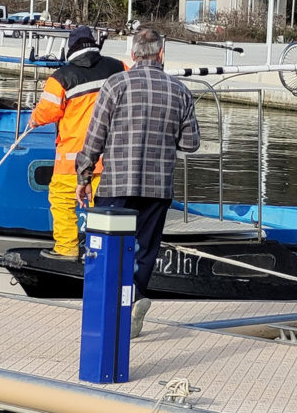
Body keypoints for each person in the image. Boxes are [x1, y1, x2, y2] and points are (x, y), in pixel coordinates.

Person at [76, 29, 200, 338]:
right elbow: (191, 144)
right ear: (160, 54)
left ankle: (114, 312)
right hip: (158, 189)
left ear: (133, 54)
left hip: (116, 184)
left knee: (108, 249)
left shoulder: (115, 84)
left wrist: (84, 176)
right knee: (145, 250)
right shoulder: (180, 90)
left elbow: (95, 136)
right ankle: (135, 299)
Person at [30, 26, 126, 260]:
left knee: (62, 200)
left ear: (70, 49)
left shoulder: (61, 77)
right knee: (104, 206)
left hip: (73, 157)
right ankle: (104, 251)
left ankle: (67, 248)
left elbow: (47, 113)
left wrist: (33, 119)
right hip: (111, 155)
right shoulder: (118, 67)